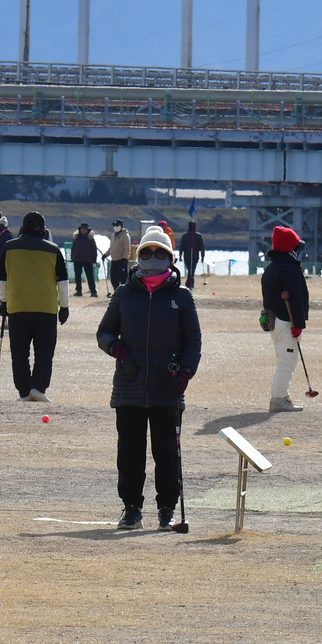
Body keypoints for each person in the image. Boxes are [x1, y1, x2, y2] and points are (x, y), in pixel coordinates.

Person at [96, 225, 201, 530]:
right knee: (129, 452)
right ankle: (131, 508)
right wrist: (116, 348)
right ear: (138, 256)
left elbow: (193, 339)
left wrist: (186, 371)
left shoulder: (182, 296)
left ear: (170, 257)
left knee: (166, 452)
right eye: (147, 252)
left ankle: (167, 508)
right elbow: (104, 332)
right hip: (129, 386)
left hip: (167, 388)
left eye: (160, 252)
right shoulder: (124, 294)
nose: (153, 257)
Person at [0, 211, 69, 403]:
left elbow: (2, 278)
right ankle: (38, 388)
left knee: (19, 353)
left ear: (22, 227)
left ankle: (23, 392)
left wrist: (4, 302)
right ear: (43, 230)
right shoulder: (54, 250)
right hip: (46, 308)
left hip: (17, 306)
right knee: (44, 351)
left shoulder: (9, 247)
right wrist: (64, 306)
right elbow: (62, 280)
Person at [261, 225, 308, 413]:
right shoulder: (289, 269)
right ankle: (279, 399)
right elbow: (295, 298)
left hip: (275, 321)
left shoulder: (271, 268)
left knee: (283, 359)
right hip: (286, 321)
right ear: (291, 249)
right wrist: (298, 324)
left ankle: (280, 396)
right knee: (287, 361)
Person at [70, 222, 100, 298]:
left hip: (88, 260)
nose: (83, 230)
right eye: (82, 229)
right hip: (77, 260)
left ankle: (93, 291)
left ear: (87, 230)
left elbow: (94, 250)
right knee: (77, 276)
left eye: (84, 229)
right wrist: (72, 257)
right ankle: (78, 291)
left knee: (90, 276)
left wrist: (94, 260)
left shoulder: (90, 239)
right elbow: (73, 248)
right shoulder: (76, 238)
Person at [179, 221, 206, 290]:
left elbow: (181, 246)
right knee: (192, 270)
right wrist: (202, 256)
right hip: (195, 256)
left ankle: (189, 283)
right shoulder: (198, 236)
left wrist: (180, 255)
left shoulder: (185, 236)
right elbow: (202, 247)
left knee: (190, 270)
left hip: (187, 256)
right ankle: (190, 283)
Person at [107, 220, 132, 294]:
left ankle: (124, 293)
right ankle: (116, 292)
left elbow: (127, 248)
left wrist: (125, 258)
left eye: (117, 225)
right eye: (114, 225)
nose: (115, 227)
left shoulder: (125, 236)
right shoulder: (113, 236)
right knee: (114, 278)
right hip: (114, 260)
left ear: (121, 226)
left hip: (121, 260)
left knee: (123, 278)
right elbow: (111, 248)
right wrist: (105, 254)